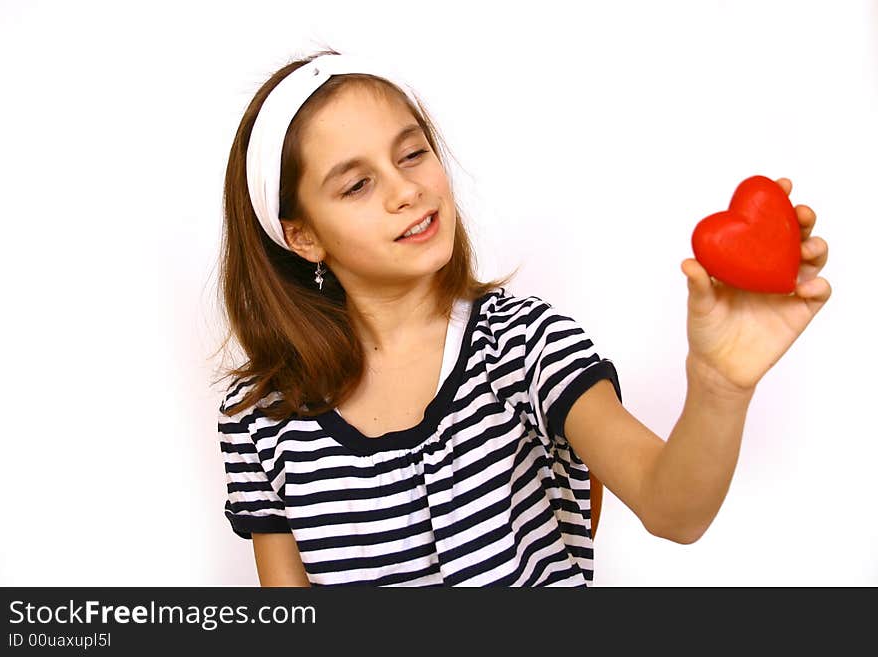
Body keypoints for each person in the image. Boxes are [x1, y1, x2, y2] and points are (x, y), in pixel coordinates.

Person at [214, 48, 832, 587]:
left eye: (412, 154)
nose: (406, 191)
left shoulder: (524, 345)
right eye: (356, 185)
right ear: (302, 238)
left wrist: (720, 387)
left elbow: (675, 510)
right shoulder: (261, 416)